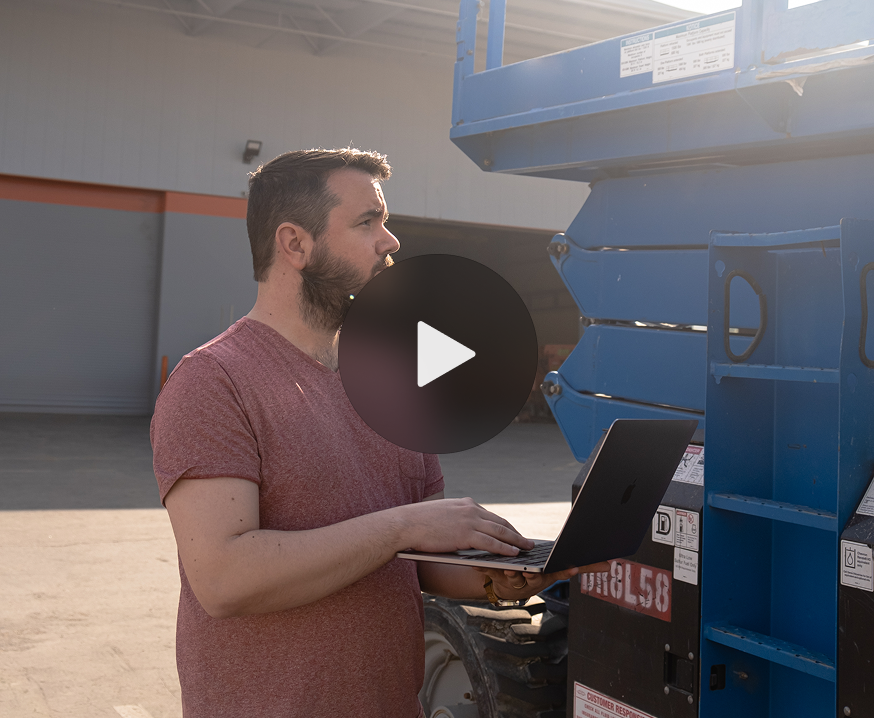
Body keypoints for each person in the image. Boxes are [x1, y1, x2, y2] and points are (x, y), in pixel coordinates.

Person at [150, 148, 583, 718]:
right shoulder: (214, 381)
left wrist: (500, 578)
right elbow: (225, 579)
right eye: (366, 222)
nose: (391, 240)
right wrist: (403, 524)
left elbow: (416, 564)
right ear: (295, 244)